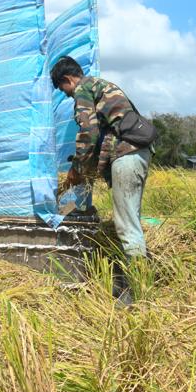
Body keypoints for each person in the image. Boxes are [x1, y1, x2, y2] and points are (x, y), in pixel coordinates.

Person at [50, 56, 152, 297]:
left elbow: (88, 132)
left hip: (126, 156)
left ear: (68, 79)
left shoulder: (83, 89)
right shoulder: (101, 85)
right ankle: (139, 279)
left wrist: (77, 169)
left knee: (126, 226)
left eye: (63, 89)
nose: (67, 95)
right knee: (131, 220)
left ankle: (137, 290)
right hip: (139, 153)